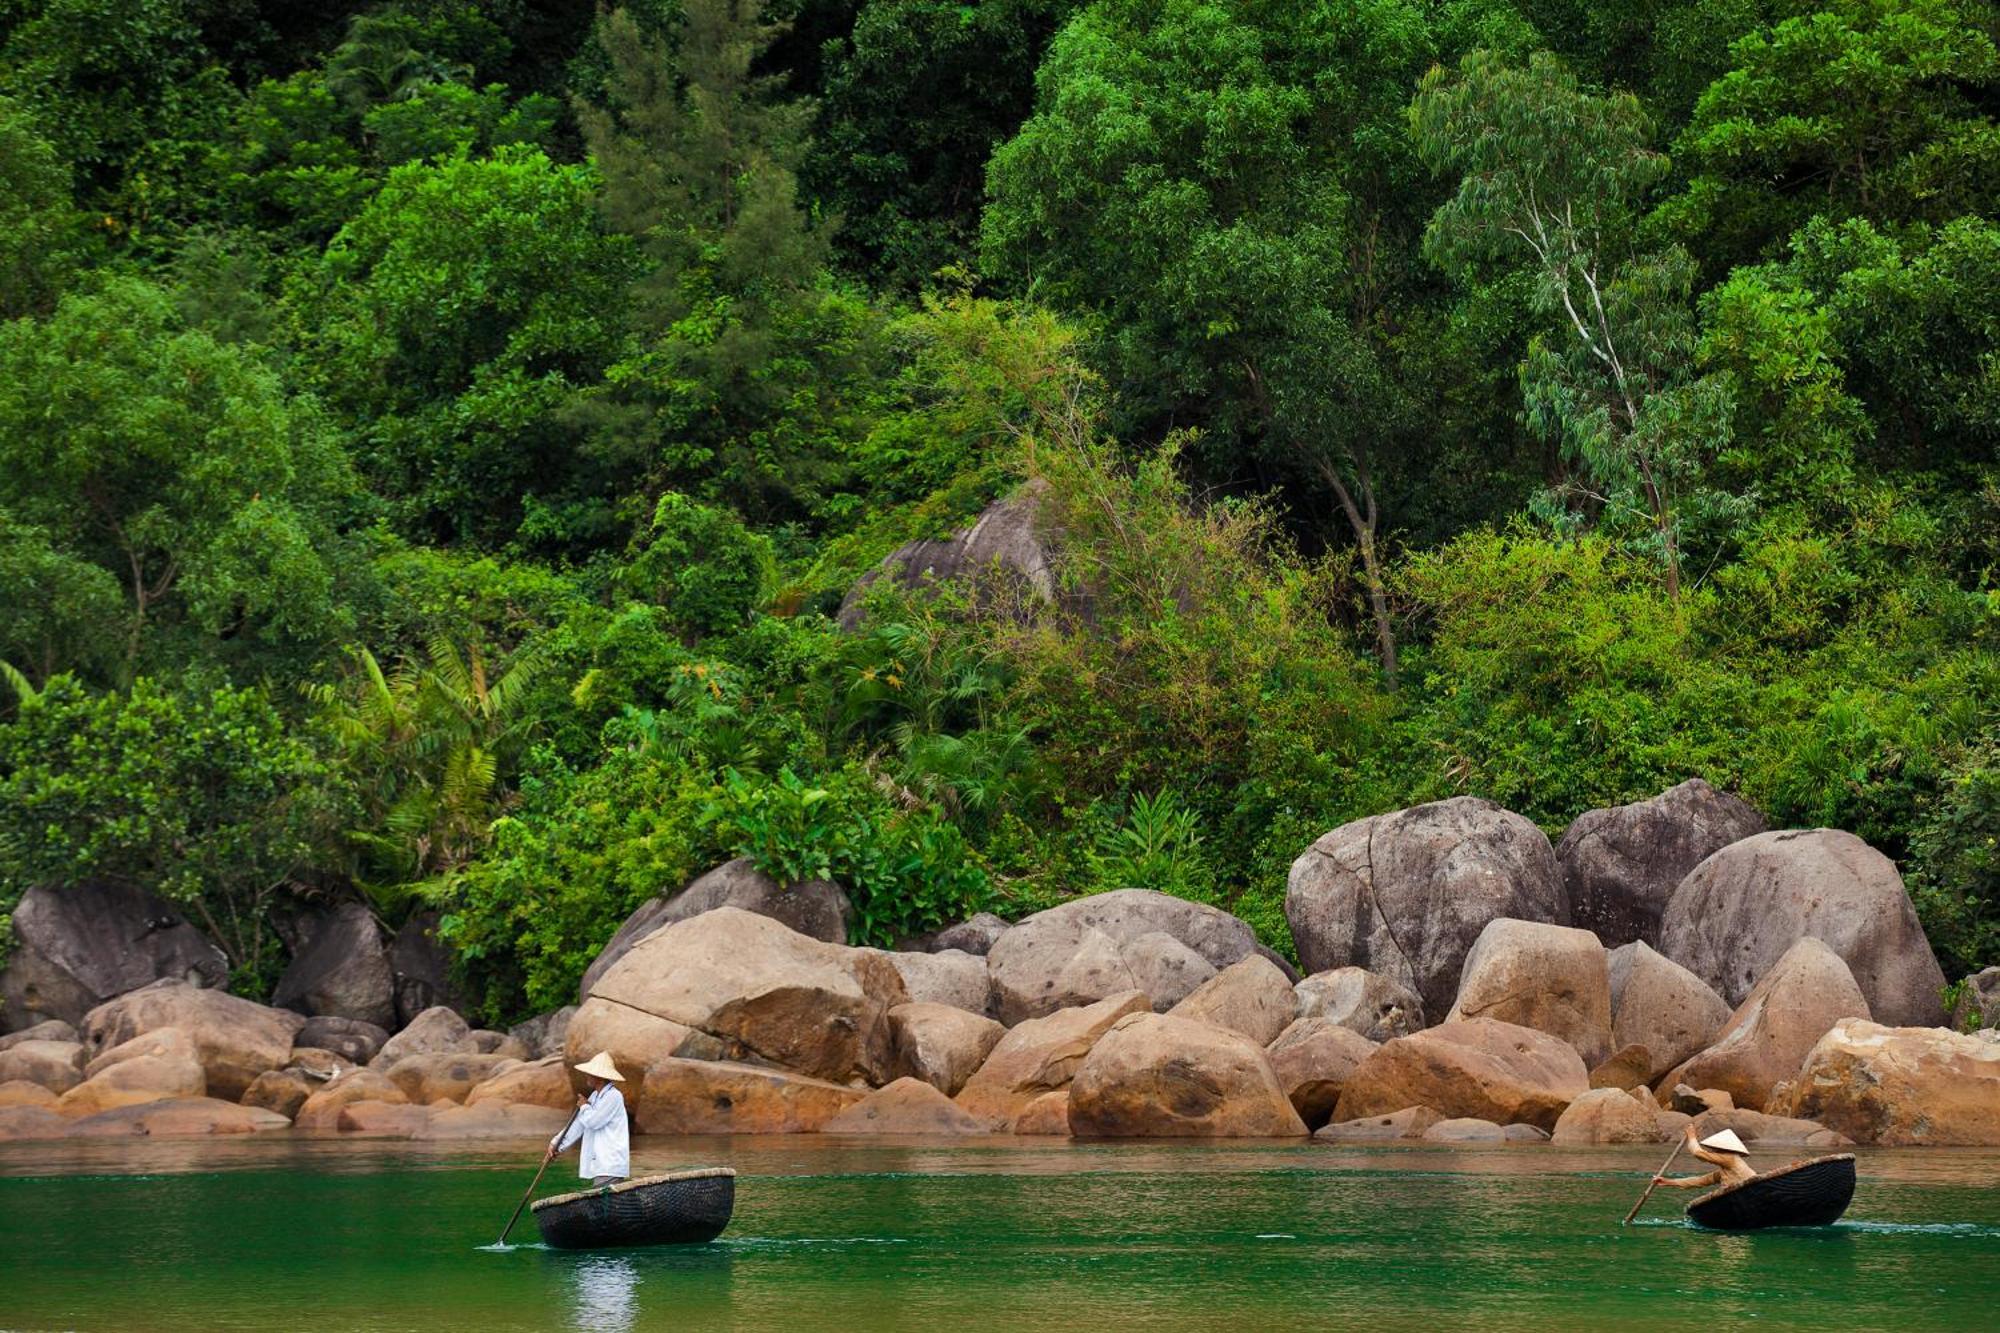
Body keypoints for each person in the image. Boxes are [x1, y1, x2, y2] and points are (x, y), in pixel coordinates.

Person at [544, 1051, 629, 1188]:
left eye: (590, 1073)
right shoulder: (595, 1097)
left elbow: (593, 1122)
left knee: (605, 1204)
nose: (586, 1076)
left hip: (610, 1164)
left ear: (599, 1077)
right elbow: (579, 1124)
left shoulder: (613, 1096)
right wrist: (556, 1144)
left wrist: (584, 1107)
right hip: (600, 1164)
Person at [1652, 1126, 1758, 1191]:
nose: (1713, 1150)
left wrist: (1692, 1136)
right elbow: (1700, 1181)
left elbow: (1698, 1153)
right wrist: (1669, 1182)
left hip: (1751, 1189)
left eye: (1714, 1148)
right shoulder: (1726, 1170)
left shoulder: (1730, 1159)